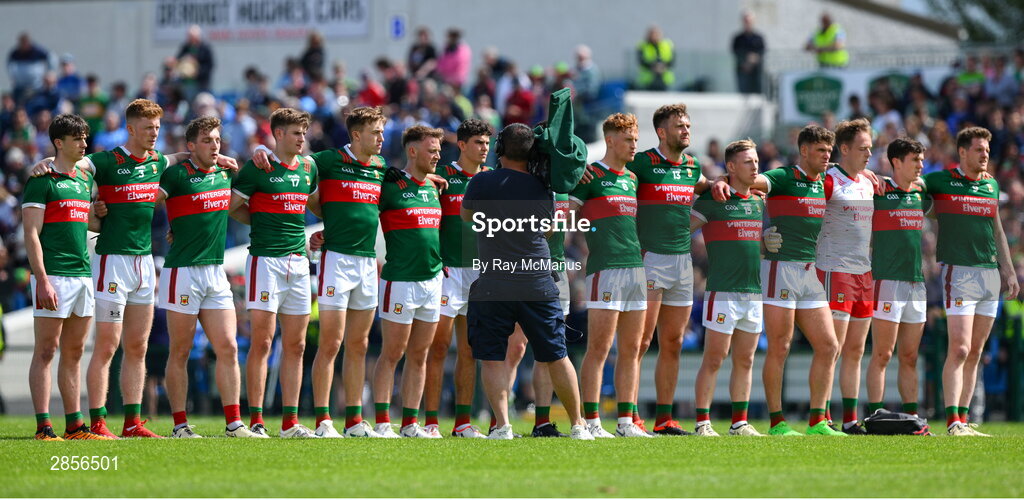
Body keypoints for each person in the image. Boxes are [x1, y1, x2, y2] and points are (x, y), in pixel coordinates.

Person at [461, 122, 593, 440]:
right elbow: (547, 230)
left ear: (500, 149)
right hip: (536, 278)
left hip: (494, 280)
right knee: (556, 354)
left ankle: (503, 426)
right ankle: (579, 425)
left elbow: (467, 217)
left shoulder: (480, 182)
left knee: (492, 356)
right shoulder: (543, 187)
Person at [714, 125, 845, 436]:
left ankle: (817, 422)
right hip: (779, 270)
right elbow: (749, 179)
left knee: (828, 346)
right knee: (780, 346)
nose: (826, 155)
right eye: (820, 150)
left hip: (809, 271)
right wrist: (721, 179)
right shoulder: (784, 177)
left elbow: (851, 174)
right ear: (804, 151)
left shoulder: (824, 182)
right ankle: (777, 422)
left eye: (829, 150)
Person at [158, 116, 256, 438]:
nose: (214, 145)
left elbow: (250, 190)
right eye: (206, 140)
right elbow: (144, 202)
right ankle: (180, 425)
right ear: (190, 146)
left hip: (215, 271)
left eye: (217, 140)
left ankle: (234, 423)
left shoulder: (226, 173)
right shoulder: (175, 175)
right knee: (181, 351)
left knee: (228, 347)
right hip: (182, 271)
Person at [228, 108, 318, 438]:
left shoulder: (309, 168)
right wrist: (262, 221)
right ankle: (257, 420)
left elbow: (315, 204)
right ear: (278, 134)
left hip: (299, 261)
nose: (302, 138)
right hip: (265, 261)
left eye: (304, 133)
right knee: (263, 342)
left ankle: (290, 422)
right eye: (296, 133)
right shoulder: (257, 167)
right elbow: (231, 207)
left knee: (295, 345)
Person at [925, 127, 1020, 436]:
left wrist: (1007, 270)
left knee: (976, 351)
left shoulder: (991, 184)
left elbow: (997, 230)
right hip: (959, 272)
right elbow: (915, 195)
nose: (984, 155)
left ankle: (963, 420)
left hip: (989, 274)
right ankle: (952, 420)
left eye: (987, 151)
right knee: (961, 348)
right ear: (963, 152)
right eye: (979, 150)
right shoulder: (940, 180)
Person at [24, 114, 112, 440]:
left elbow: (84, 222)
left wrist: (97, 216)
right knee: (46, 351)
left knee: (74, 353)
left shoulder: (82, 180)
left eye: (85, 138)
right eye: (77, 139)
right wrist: (42, 279)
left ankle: (75, 426)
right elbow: (31, 234)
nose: (84, 144)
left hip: (83, 275)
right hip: (54, 276)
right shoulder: (41, 180)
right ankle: (43, 426)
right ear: (59, 143)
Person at [628, 103, 711, 435]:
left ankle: (664, 418)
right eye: (679, 126)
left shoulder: (692, 166)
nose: (686, 131)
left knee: (673, 341)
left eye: (688, 126)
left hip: (682, 262)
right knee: (641, 340)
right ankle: (629, 414)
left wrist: (718, 186)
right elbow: (612, 174)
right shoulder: (643, 162)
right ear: (662, 132)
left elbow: (707, 186)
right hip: (650, 260)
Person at [571, 113, 650, 439]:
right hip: (605, 270)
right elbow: (566, 214)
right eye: (629, 139)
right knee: (599, 349)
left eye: (636, 139)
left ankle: (625, 421)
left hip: (635, 269)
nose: (634, 145)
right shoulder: (591, 176)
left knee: (631, 350)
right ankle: (591, 421)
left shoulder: (632, 179)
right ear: (611, 140)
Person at [690, 139, 768, 436]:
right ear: (732, 167)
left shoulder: (758, 200)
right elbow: (684, 228)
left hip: (753, 290)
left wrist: (765, 245)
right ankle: (702, 423)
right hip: (722, 291)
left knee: (745, 359)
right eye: (748, 162)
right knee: (714, 357)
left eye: (756, 161)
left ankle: (739, 422)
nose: (755, 167)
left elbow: (752, 244)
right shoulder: (714, 198)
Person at [371, 126, 445, 438]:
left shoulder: (434, 186)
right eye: (432, 150)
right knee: (393, 352)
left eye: (439, 150)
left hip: (432, 280)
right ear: (412, 151)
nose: (438, 155)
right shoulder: (389, 184)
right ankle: (383, 421)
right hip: (400, 280)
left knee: (420, 354)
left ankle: (410, 424)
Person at [424, 119, 492, 439]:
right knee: (437, 348)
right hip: (448, 271)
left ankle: (463, 423)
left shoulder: (494, 181)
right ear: (462, 145)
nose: (484, 148)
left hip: (480, 273)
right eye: (478, 142)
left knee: (469, 350)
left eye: (487, 143)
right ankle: (430, 422)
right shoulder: (444, 178)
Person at [816, 118, 878, 434]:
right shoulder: (829, 180)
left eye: (870, 148)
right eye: (863, 148)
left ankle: (850, 419)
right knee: (833, 348)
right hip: (834, 271)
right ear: (844, 149)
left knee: (855, 350)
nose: (869, 154)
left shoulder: (868, 181)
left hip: (863, 273)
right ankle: (822, 416)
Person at [865, 138, 928, 420]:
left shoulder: (920, 191)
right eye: (915, 160)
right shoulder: (878, 189)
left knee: (910, 356)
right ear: (896, 162)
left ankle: (912, 416)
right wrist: (868, 174)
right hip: (887, 281)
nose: (921, 165)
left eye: (922, 160)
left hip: (916, 282)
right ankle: (875, 414)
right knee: (882, 354)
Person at [7, 33, 53, 104]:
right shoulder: (15, 53)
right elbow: (9, 64)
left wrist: (50, 72)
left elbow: (51, 58)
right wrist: (13, 76)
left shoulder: (38, 51)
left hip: (36, 87)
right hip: (20, 87)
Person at [732, 11, 765, 94]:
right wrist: (746, 62)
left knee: (757, 94)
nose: (748, 23)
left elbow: (762, 53)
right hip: (742, 71)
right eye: (746, 21)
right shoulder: (737, 38)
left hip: (756, 72)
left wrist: (751, 61)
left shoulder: (759, 38)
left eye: (749, 21)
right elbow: (735, 53)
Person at [636, 26, 674, 90]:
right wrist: (653, 66)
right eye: (653, 34)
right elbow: (641, 61)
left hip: (665, 80)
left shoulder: (667, 45)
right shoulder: (643, 46)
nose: (655, 36)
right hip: (647, 80)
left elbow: (672, 61)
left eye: (657, 34)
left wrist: (662, 66)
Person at [177, 25, 214, 91]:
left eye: (192, 37)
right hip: (186, 83)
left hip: (201, 84)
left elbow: (209, 65)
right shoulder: (185, 47)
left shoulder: (205, 48)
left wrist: (197, 72)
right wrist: (185, 59)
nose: (191, 39)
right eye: (189, 36)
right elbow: (178, 60)